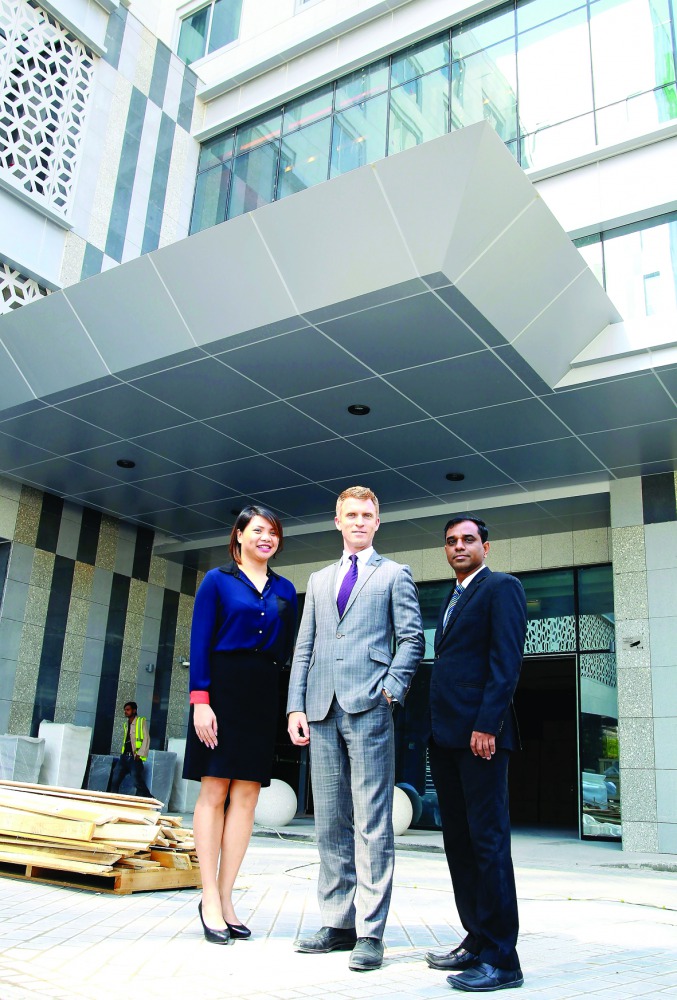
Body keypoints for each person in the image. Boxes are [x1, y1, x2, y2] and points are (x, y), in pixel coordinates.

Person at [288, 485, 424, 972]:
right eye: (352, 514)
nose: (360, 521)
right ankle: (337, 922)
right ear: (338, 520)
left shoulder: (394, 575)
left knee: (371, 823)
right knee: (329, 821)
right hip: (321, 710)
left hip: (370, 708)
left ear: (377, 521)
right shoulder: (319, 580)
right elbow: (305, 647)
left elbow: (412, 639)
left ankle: (370, 931)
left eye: (368, 514)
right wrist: (294, 707)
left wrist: (390, 692)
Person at [184, 505, 297, 946]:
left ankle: (227, 898)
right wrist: (201, 701)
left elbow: (287, 650)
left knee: (247, 795)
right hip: (222, 690)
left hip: (263, 691)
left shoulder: (286, 589)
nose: (266, 538)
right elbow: (200, 641)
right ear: (239, 536)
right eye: (258, 530)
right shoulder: (217, 581)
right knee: (214, 789)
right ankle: (208, 896)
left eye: (273, 532)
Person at [424, 516, 527, 993]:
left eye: (468, 540)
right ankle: (478, 937)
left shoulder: (501, 588)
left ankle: (504, 960)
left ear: (486, 545)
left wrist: (487, 722)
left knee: (488, 846)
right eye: (451, 541)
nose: (459, 546)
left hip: (481, 737)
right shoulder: (454, 594)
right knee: (459, 844)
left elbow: (505, 661)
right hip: (446, 738)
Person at [110, 702, 153, 798]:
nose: (126, 712)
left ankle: (149, 798)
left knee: (136, 780)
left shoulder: (141, 721)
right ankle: (112, 799)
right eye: (125, 710)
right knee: (115, 778)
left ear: (134, 710)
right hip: (124, 757)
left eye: (128, 710)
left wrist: (140, 754)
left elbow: (146, 738)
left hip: (135, 758)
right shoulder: (127, 724)